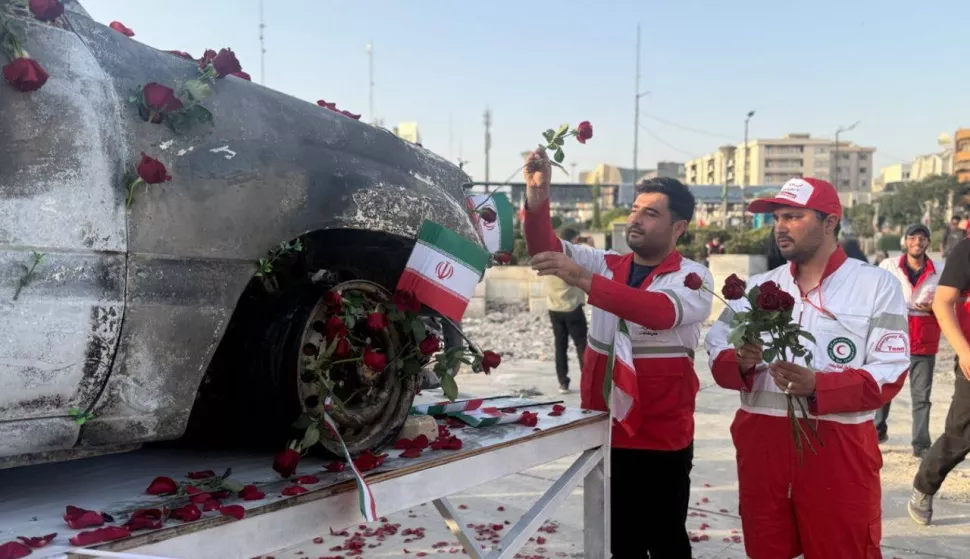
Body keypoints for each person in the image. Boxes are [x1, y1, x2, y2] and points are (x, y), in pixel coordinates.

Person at [704, 177, 909, 559]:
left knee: (844, 550)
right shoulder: (759, 287)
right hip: (761, 448)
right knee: (766, 549)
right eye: (777, 217)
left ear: (830, 221)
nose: (780, 226)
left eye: (793, 216)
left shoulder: (875, 286)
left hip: (837, 448)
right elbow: (716, 345)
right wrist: (740, 362)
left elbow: (891, 368)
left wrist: (820, 386)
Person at [522, 149, 712, 558]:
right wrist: (537, 199)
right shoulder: (608, 264)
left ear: (679, 226)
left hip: (662, 435)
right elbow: (545, 248)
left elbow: (658, 311)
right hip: (610, 425)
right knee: (619, 540)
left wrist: (584, 279)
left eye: (650, 213)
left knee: (665, 541)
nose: (635, 219)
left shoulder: (693, 277)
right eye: (635, 209)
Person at [909, 235, 970, 525]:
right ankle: (924, 485)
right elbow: (943, 303)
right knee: (961, 435)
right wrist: (963, 351)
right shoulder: (967, 249)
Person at [874, 224, 940, 457]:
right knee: (884, 389)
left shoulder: (939, 270)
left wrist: (934, 307)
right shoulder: (888, 266)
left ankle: (921, 445)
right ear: (905, 241)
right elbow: (875, 294)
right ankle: (876, 431)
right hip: (893, 337)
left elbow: (948, 301)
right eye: (913, 238)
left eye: (922, 238)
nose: (917, 242)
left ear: (928, 243)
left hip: (924, 338)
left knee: (922, 396)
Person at [544, 229, 588, 394]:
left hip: (554, 308)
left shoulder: (549, 259)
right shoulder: (571, 260)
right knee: (582, 346)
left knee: (560, 346)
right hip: (573, 308)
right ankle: (587, 380)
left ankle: (563, 382)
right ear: (573, 240)